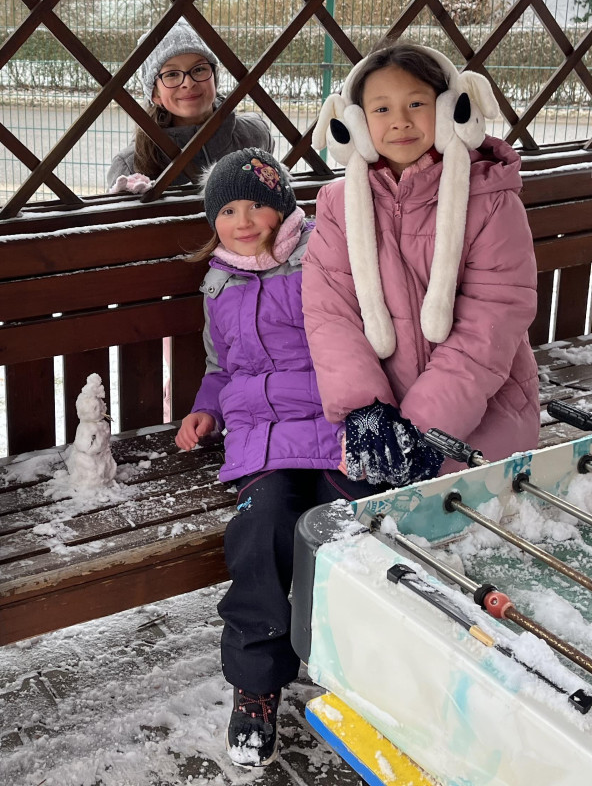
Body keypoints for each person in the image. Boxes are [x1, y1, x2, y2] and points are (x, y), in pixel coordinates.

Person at [174, 148, 369, 768]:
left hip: (333, 423)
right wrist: (207, 409)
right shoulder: (218, 285)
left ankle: (362, 673)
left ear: (282, 208)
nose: (243, 220)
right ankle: (256, 684)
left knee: (354, 533)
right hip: (261, 440)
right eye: (227, 210)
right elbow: (220, 366)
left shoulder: (320, 261)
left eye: (256, 205)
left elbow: (354, 339)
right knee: (261, 533)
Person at [303, 42, 539, 488]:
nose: (400, 121)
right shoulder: (338, 204)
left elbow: (491, 322)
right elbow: (330, 315)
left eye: (416, 104)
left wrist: (424, 428)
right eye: (381, 109)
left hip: (481, 419)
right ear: (355, 124)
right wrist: (365, 410)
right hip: (380, 421)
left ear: (450, 108)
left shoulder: (489, 199)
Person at [107, 19, 272, 194]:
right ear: (155, 94)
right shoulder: (130, 165)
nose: (188, 83)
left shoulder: (253, 134)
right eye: (172, 74)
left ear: (214, 78)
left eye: (199, 69)